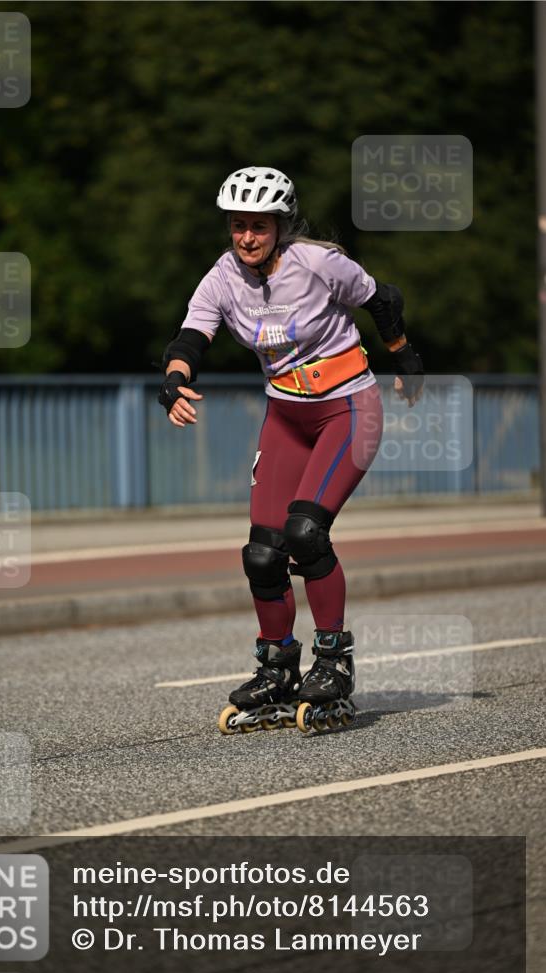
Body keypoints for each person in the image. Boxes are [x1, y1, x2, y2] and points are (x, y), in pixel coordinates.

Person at [158, 166, 424, 733]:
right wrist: (175, 379)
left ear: (281, 225)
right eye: (237, 226)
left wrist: (403, 355)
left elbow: (383, 299)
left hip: (348, 409)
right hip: (286, 416)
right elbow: (191, 336)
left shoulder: (317, 263)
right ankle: (277, 665)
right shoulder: (222, 278)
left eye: (259, 226)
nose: (247, 237)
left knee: (306, 533)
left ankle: (334, 661)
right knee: (261, 552)